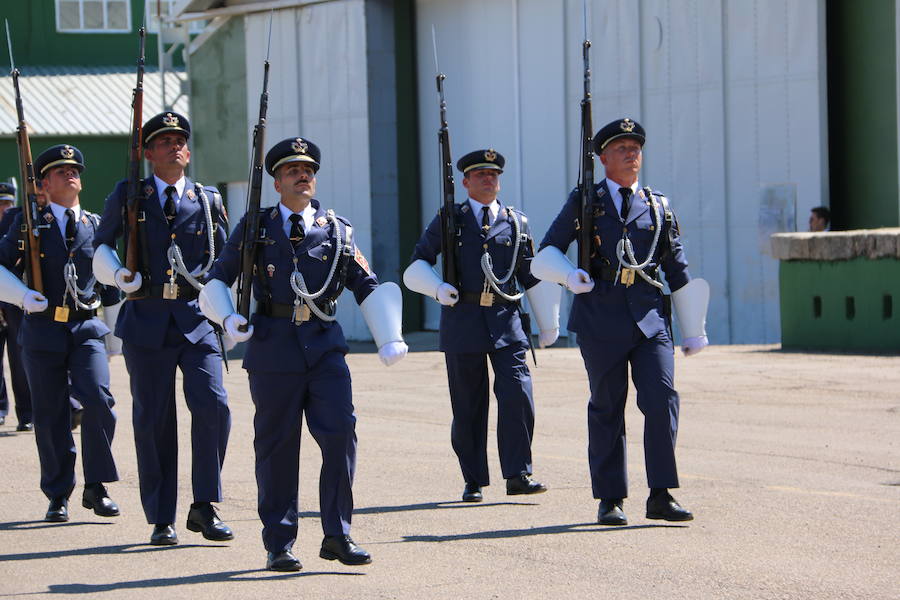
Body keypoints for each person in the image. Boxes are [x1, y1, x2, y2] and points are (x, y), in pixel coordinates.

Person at [199, 137, 408, 571]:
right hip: (273, 349)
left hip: (324, 349)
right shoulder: (255, 227)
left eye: (308, 168)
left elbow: (366, 283)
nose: (303, 174)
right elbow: (218, 277)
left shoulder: (337, 230)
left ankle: (337, 534)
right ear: (276, 181)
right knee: (277, 447)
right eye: (293, 169)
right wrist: (227, 318)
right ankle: (279, 541)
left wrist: (389, 334)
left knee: (339, 437)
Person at [532, 118, 709, 526]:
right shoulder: (585, 201)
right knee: (608, 406)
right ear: (602, 157)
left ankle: (661, 494)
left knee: (662, 399)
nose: (632, 153)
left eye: (636, 147)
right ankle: (610, 498)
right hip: (600, 317)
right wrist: (569, 276)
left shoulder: (657, 205)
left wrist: (693, 328)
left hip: (650, 318)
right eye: (622, 147)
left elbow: (677, 269)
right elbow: (547, 252)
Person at [92, 112, 232, 546]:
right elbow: (101, 244)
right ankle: (161, 517)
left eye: (180, 140)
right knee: (154, 420)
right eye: (164, 141)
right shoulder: (129, 194)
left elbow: (225, 262)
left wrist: (232, 314)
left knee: (213, 405)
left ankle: (204, 506)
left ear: (188, 150)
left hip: (196, 320)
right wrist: (118, 276)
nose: (174, 146)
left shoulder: (207, 200)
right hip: (146, 319)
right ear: (148, 153)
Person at [403, 149, 560, 503]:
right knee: (469, 405)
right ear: (465, 182)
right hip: (464, 321)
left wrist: (549, 323)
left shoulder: (516, 221)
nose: (488, 179)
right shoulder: (450, 219)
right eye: (480, 174)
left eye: (493, 174)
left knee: (518, 396)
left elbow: (530, 274)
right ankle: (473, 478)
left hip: (506, 321)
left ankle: (519, 473)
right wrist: (437, 288)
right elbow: (418, 263)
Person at [0, 145, 120, 522]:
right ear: (45, 184)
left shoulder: (96, 225)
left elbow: (111, 283)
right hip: (42, 327)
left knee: (99, 401)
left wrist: (115, 337)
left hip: (86, 326)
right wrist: (21, 296)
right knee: (50, 413)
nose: (70, 174)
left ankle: (96, 486)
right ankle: (58, 492)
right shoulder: (27, 224)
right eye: (59, 170)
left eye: (74, 169)